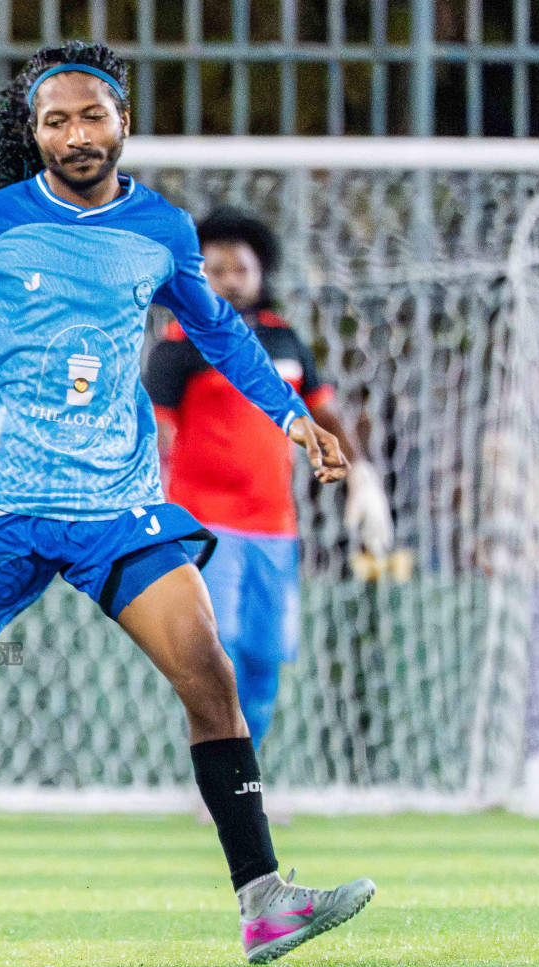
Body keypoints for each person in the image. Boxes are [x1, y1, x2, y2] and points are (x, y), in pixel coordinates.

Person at [0, 41, 374, 965]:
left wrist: (293, 417)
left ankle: (264, 899)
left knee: (208, 673)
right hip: (3, 506)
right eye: (56, 121)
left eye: (92, 116)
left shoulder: (162, 229)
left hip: (119, 503)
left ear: (122, 122)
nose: (76, 134)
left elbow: (220, 331)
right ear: (34, 132)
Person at [144, 209, 393, 747]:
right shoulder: (179, 344)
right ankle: (218, 774)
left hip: (275, 527)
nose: (230, 279)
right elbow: (157, 431)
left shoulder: (286, 342)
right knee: (218, 649)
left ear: (261, 274)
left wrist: (361, 477)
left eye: (241, 268)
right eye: (216, 268)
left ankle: (245, 773)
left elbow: (324, 417)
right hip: (205, 523)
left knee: (264, 656)